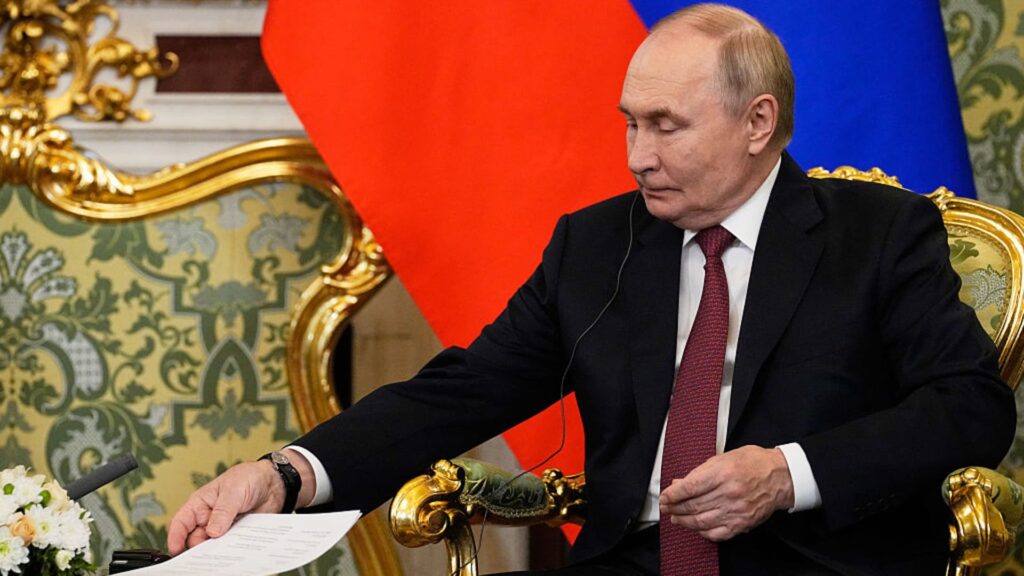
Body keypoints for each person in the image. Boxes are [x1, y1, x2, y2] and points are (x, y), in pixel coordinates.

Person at [167, 4, 1016, 575]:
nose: (637, 157)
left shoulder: (879, 234)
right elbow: (460, 392)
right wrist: (286, 473)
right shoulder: (598, 244)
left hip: (816, 561)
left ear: (758, 122)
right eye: (629, 124)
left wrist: (786, 474)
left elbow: (969, 406)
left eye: (666, 127)